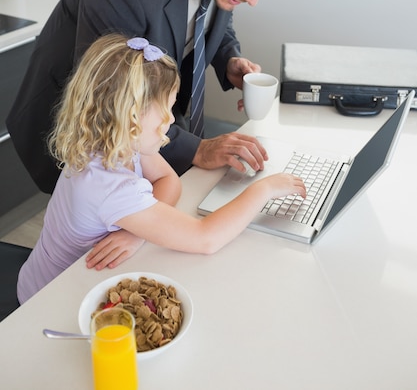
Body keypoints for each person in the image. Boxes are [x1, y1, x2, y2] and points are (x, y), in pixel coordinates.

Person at [7, 0, 301, 194]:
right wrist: (197, 149)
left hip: (149, 130)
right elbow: (111, 98)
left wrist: (228, 58)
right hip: (84, 132)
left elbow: (214, 11)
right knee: (90, 231)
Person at [17, 34, 306, 304]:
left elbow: (169, 180)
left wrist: (137, 232)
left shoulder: (114, 142)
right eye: (165, 109)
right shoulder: (110, 185)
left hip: (48, 277)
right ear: (129, 116)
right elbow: (206, 238)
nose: (170, 120)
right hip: (49, 298)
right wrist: (263, 189)